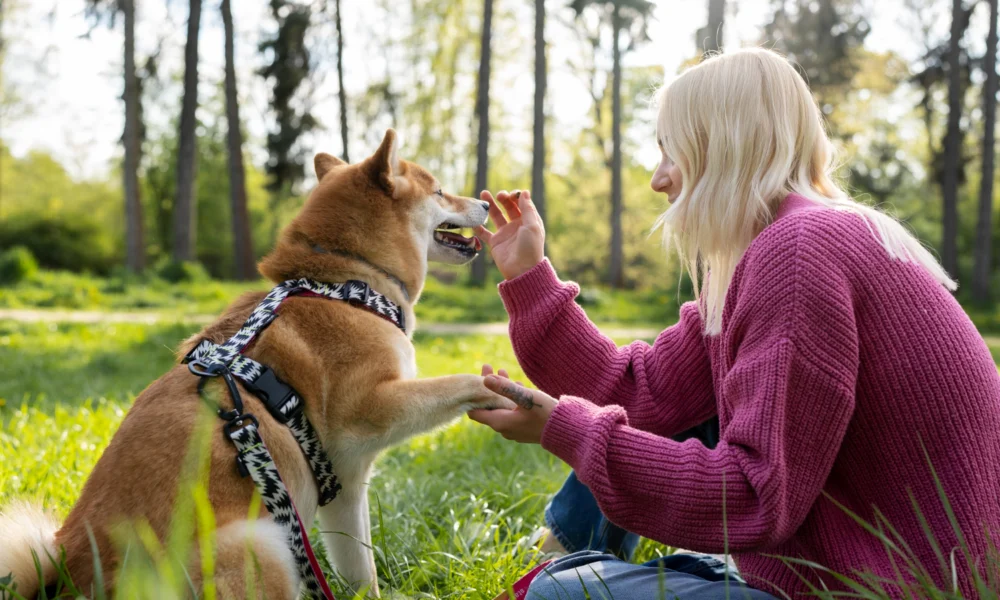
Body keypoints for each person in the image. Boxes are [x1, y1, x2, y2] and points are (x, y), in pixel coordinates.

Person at [468, 48, 1000, 599]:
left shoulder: (798, 255)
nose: (658, 180)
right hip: (864, 565)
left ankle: (558, 570)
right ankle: (564, 549)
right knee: (648, 437)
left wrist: (565, 430)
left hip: (888, 588)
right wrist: (531, 275)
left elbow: (754, 496)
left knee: (561, 594)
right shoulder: (795, 243)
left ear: (721, 145)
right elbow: (637, 389)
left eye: (670, 151)